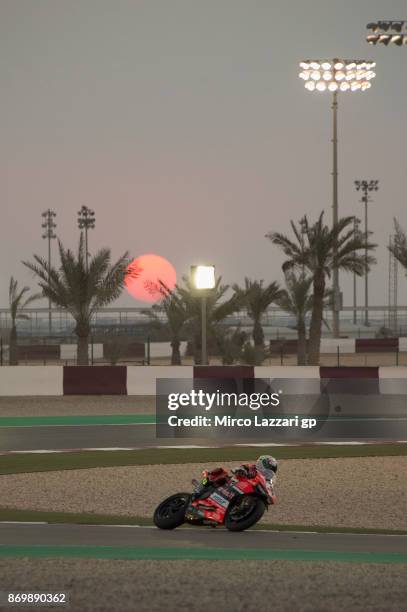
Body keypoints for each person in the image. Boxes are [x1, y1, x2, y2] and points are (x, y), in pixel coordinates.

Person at [192, 455, 278, 500]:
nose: (267, 472)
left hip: (242, 492)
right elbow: (235, 469)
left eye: (270, 470)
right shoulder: (250, 467)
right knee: (221, 471)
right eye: (267, 468)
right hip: (232, 483)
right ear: (262, 464)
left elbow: (270, 491)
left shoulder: (266, 481)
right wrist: (241, 471)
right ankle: (200, 488)